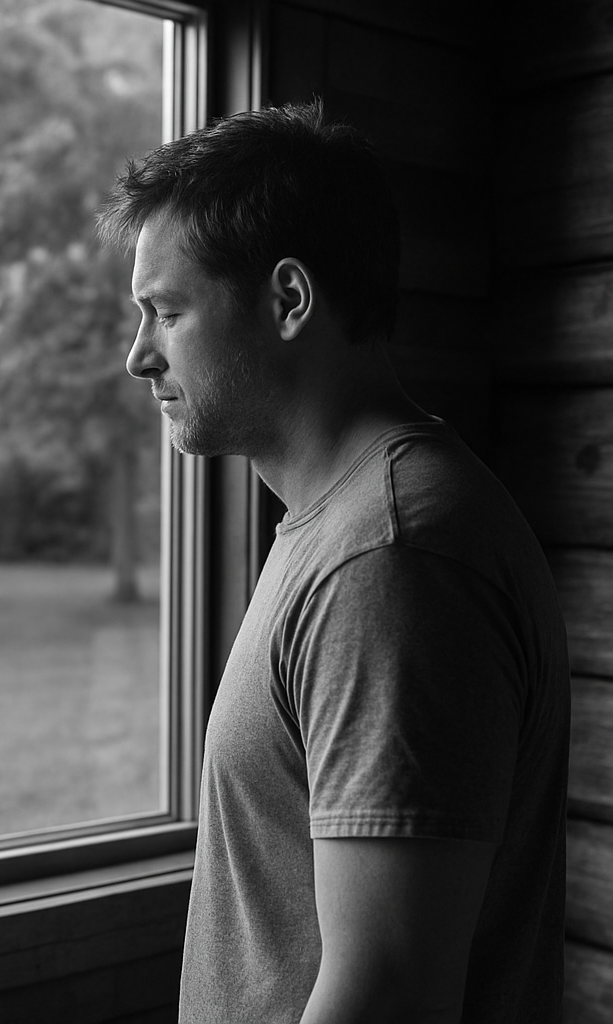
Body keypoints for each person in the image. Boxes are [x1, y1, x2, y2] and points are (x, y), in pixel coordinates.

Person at [97, 100, 570, 1024]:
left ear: (289, 300)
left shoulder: (392, 557)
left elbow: (387, 995)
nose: (137, 356)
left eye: (166, 312)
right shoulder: (346, 526)